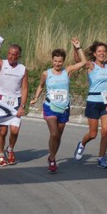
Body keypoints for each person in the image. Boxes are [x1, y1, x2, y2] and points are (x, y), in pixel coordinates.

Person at [30, 38, 87, 172]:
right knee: (54, 134)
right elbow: (40, 86)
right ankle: (52, 158)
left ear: (63, 61)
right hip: (50, 107)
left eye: (60, 61)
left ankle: (52, 157)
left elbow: (84, 62)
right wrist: (35, 97)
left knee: (58, 136)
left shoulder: (67, 71)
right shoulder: (46, 73)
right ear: (52, 60)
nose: (57, 63)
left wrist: (78, 47)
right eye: (55, 61)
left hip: (64, 108)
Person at [73, 31, 107, 168]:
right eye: (99, 51)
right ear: (95, 54)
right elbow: (79, 61)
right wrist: (77, 47)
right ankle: (82, 144)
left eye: (104, 51)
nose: (102, 53)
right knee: (92, 134)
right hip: (93, 102)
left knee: (106, 130)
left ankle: (101, 158)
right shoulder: (91, 65)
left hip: (106, 102)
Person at [0, 44, 28, 166]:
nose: (10, 56)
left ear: (19, 56)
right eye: (9, 53)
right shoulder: (1, 64)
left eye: (14, 55)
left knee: (14, 131)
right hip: (1, 101)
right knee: (3, 131)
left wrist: (22, 106)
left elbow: (24, 89)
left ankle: (10, 149)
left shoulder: (22, 69)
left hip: (15, 102)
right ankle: (0, 155)